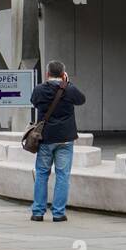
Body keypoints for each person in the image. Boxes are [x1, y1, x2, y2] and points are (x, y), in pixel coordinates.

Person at [28, 61, 86, 223]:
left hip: (45, 138)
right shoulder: (69, 89)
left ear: (47, 74)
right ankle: (59, 213)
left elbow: (33, 102)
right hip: (65, 139)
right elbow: (81, 100)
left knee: (41, 174)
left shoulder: (40, 90)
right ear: (63, 74)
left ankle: (38, 212)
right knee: (62, 176)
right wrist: (68, 83)